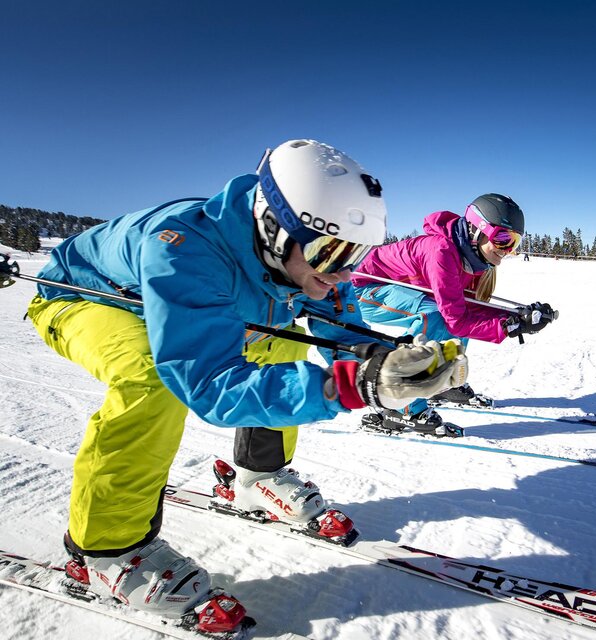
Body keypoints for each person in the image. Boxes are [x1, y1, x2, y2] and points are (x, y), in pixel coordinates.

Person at [24, 139, 468, 632]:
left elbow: (346, 339)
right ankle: (105, 551)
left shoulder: (314, 264)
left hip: (206, 300)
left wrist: (387, 365)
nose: (345, 272)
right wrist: (346, 388)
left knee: (282, 344)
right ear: (275, 230)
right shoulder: (184, 247)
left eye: (357, 253)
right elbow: (208, 382)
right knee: (151, 377)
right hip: (88, 301)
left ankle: (259, 476)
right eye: (333, 252)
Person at [351, 193, 554, 436]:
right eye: (502, 238)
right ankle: (403, 405)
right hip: (361, 289)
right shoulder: (442, 250)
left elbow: (463, 309)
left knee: (449, 316)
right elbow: (455, 319)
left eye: (514, 242)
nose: (507, 250)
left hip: (394, 290)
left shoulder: (474, 259)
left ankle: (441, 381)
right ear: (477, 230)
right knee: (435, 316)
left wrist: (515, 317)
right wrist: (508, 327)